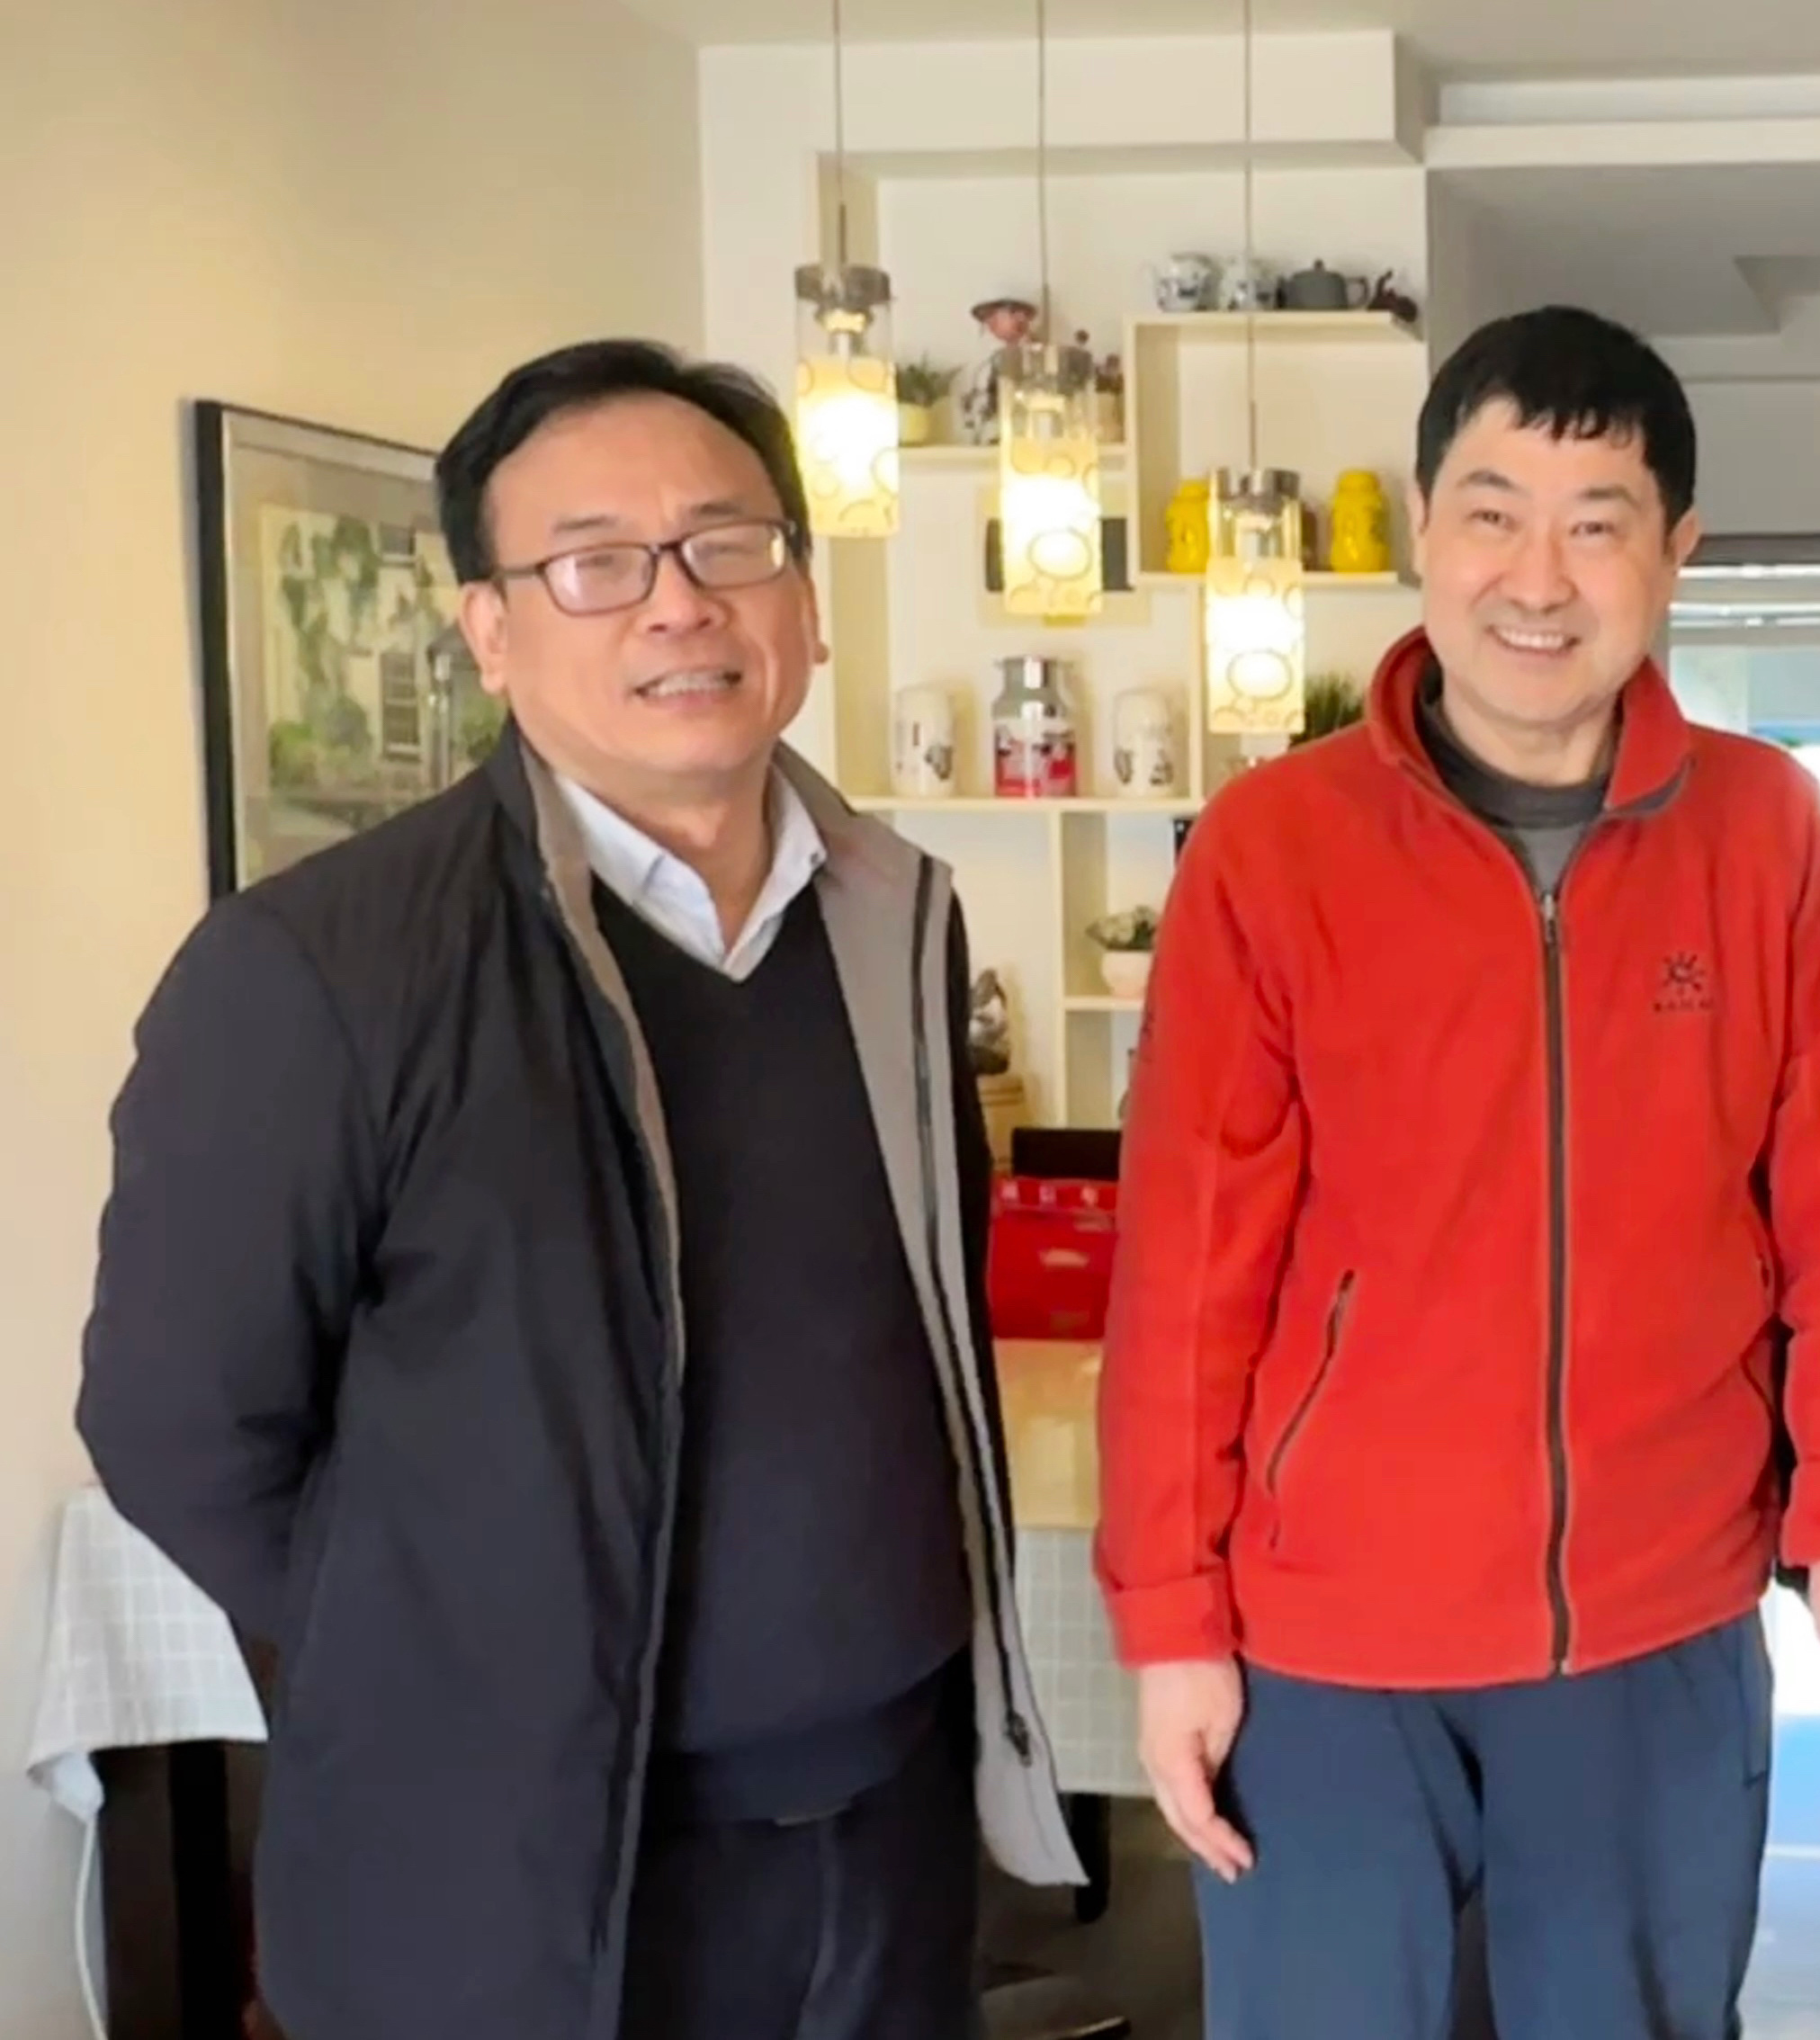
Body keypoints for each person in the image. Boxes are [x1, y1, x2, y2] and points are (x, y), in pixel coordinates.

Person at [76, 339, 1080, 2040]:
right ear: (490, 631)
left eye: (726, 544)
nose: (679, 604)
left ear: (803, 599)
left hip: (884, 1836)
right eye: (595, 563)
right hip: (524, 1877)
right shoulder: (315, 968)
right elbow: (179, 1429)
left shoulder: (895, 918)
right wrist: (451, 1657)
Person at [1096, 302, 1820, 2040]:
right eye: (1492, 513)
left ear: (1676, 552)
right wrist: (1173, 1619)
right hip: (1328, 1638)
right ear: (1423, 529)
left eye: (1597, 521)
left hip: (1657, 1622)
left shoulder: (1768, 836)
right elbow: (1189, 1267)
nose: (1538, 578)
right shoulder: (1274, 848)